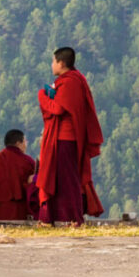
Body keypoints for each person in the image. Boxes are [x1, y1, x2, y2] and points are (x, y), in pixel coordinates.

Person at [36, 47, 105, 225]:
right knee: (59, 178)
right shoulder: (74, 79)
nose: (52, 65)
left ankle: (74, 217)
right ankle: (55, 217)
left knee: (67, 179)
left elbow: (58, 109)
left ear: (61, 63)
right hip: (65, 137)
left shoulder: (69, 82)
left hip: (64, 138)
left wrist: (42, 96)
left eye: (53, 61)